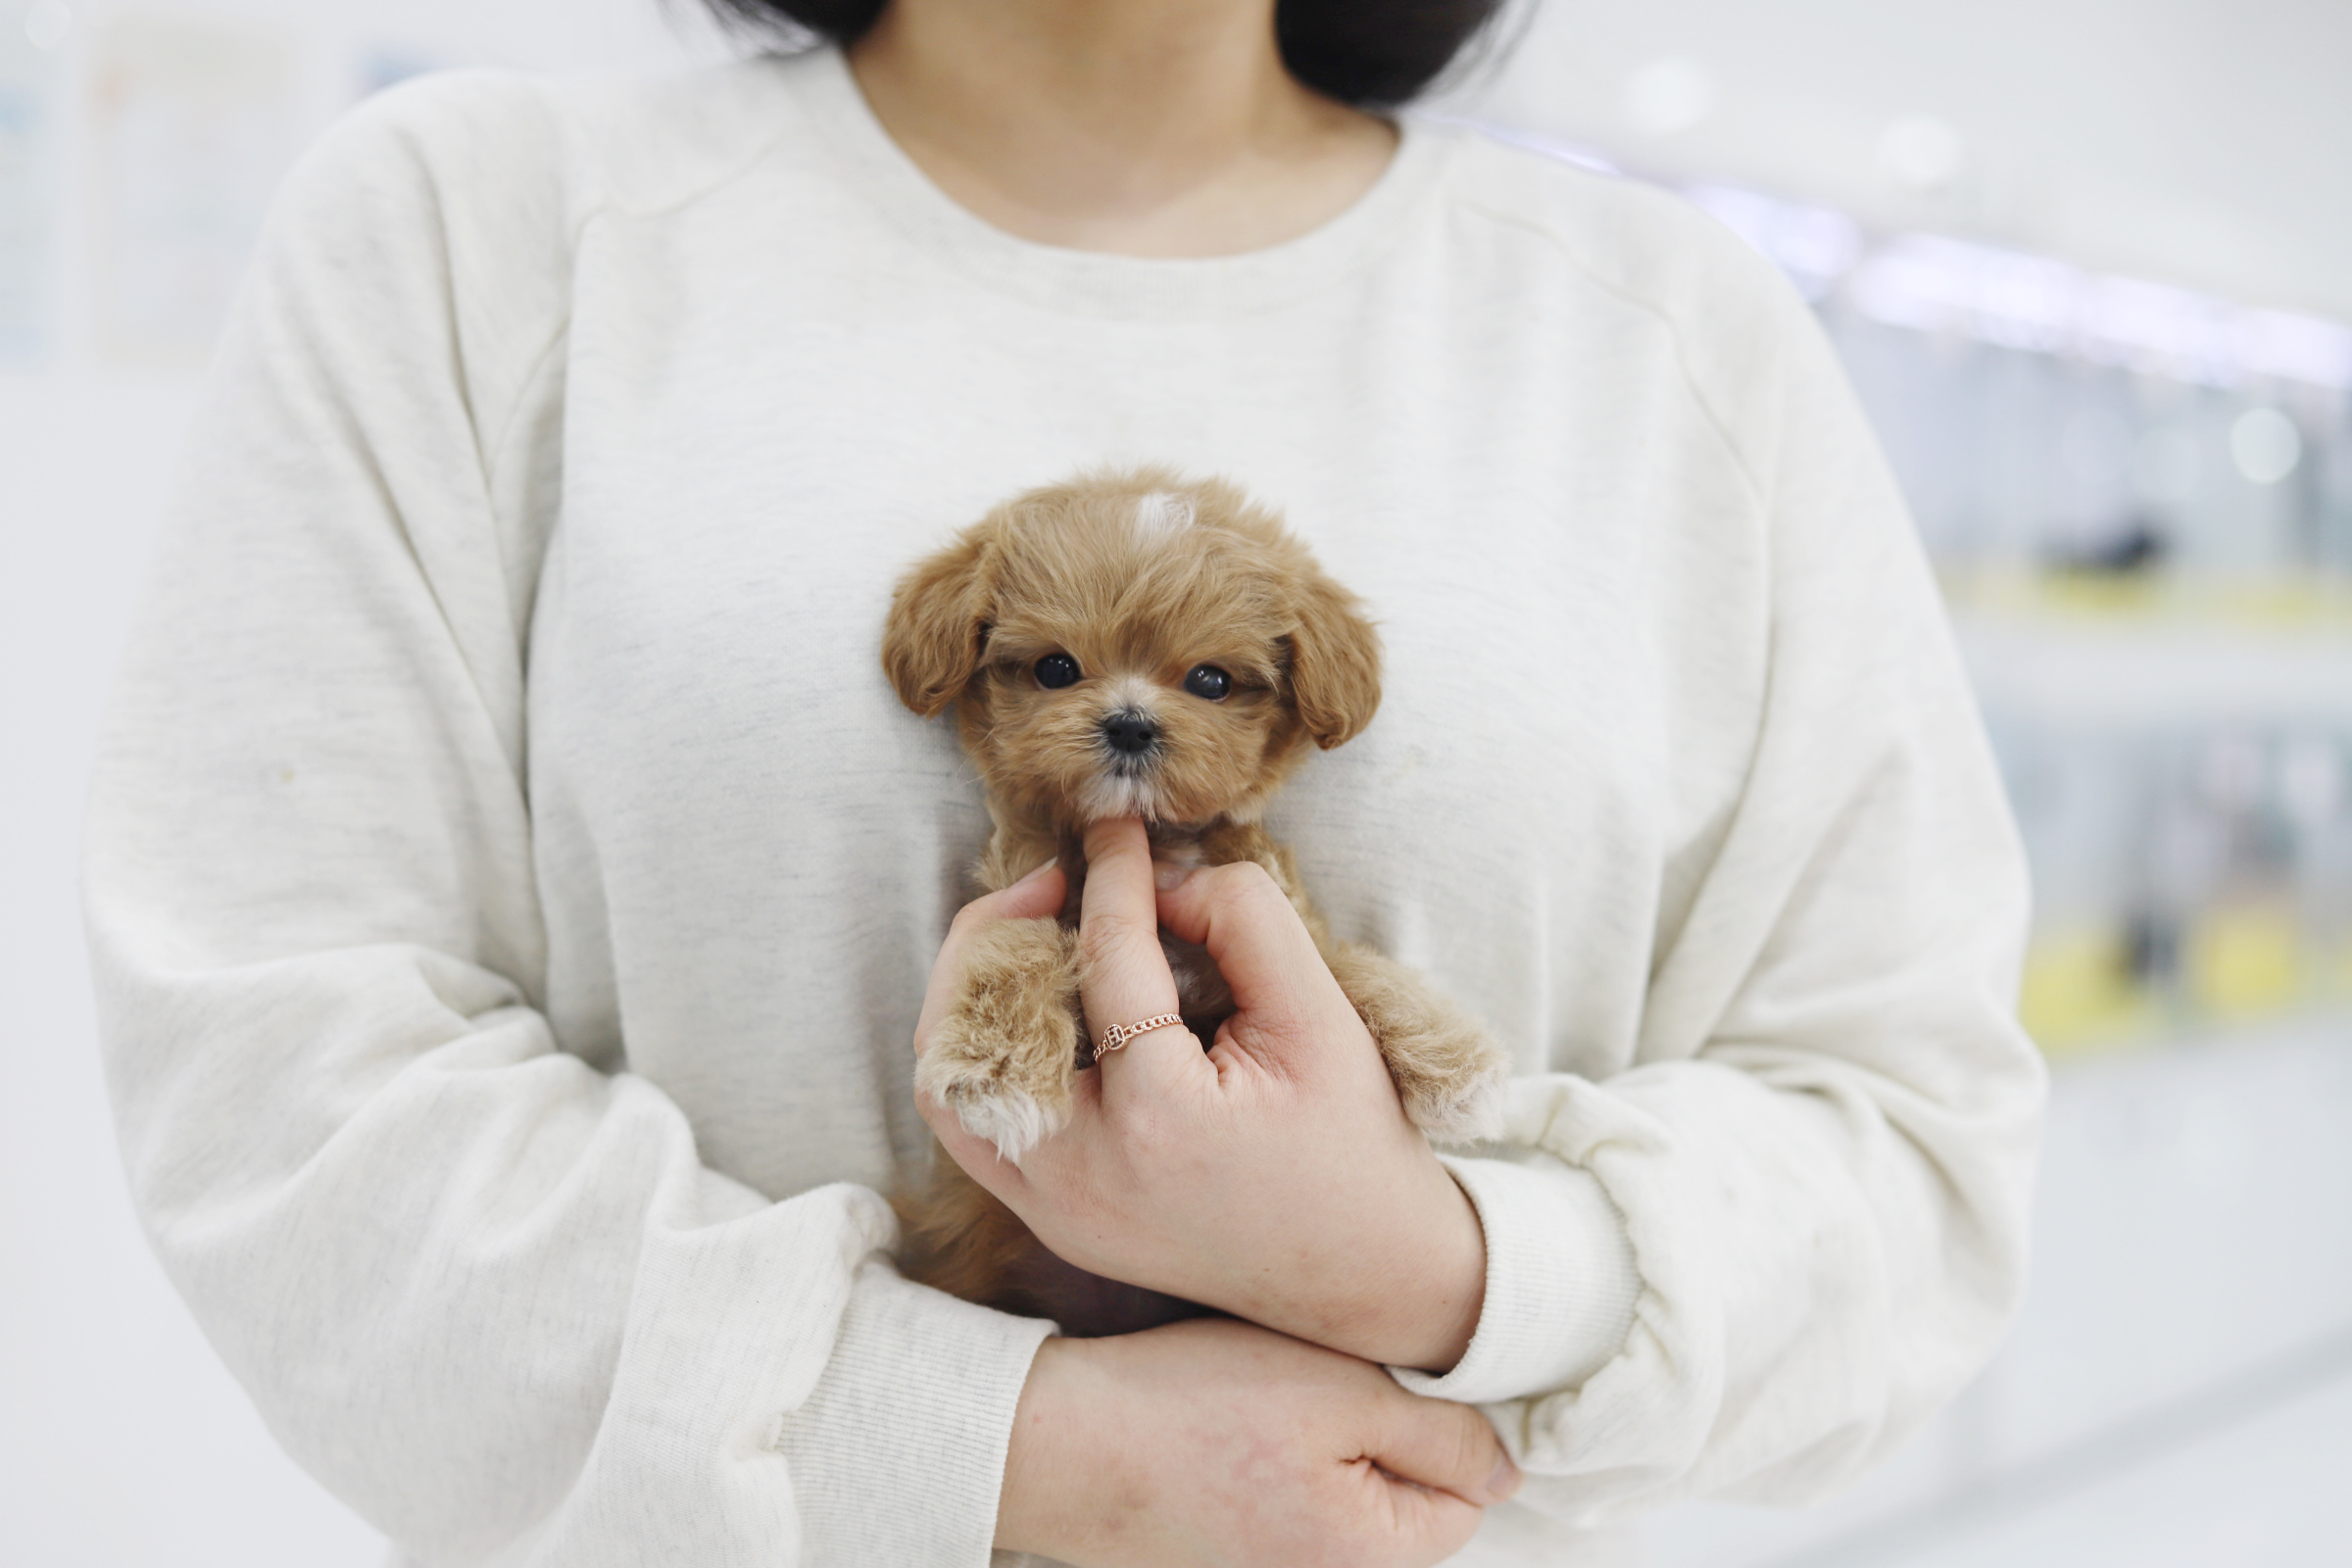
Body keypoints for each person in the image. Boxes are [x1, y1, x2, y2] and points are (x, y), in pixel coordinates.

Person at [81, 0, 2047, 1563]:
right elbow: (285, 1079)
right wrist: (1013, 1444)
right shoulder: (481, 232)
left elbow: (1914, 1152)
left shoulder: (1671, 340)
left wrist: (1441, 1262)